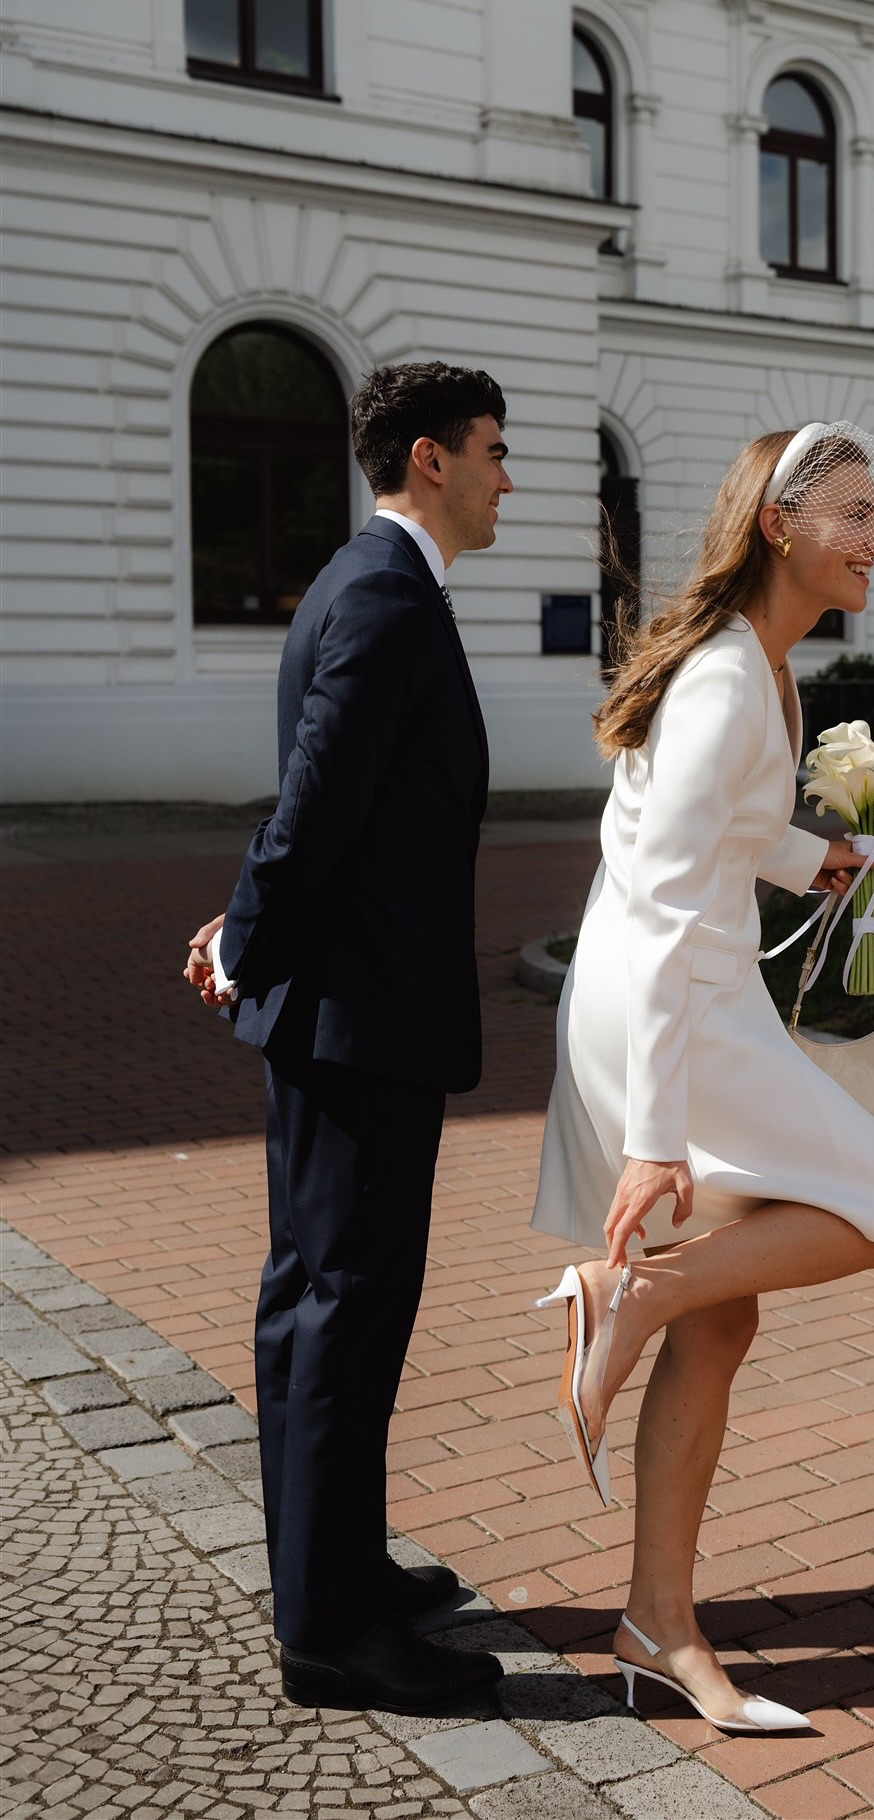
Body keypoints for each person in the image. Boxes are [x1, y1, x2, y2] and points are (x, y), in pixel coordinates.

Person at [529, 422, 874, 1734]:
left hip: (672, 992)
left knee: (728, 1318)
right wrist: (655, 1139)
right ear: (781, 526)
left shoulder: (755, 670)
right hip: (681, 1007)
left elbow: (703, 834)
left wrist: (807, 858)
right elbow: (659, 911)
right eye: (857, 515)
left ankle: (658, 1625)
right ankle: (624, 1296)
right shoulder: (725, 681)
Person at [183, 362, 512, 1717]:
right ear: (428, 459)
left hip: (348, 1008)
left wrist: (242, 920)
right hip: (357, 1017)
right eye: (494, 450)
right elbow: (317, 804)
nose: (507, 474)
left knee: (319, 1306)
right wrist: (247, 935)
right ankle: (330, 1629)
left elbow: (336, 796)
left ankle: (335, 1571)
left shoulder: (359, 582)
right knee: (340, 1311)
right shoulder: (382, 593)